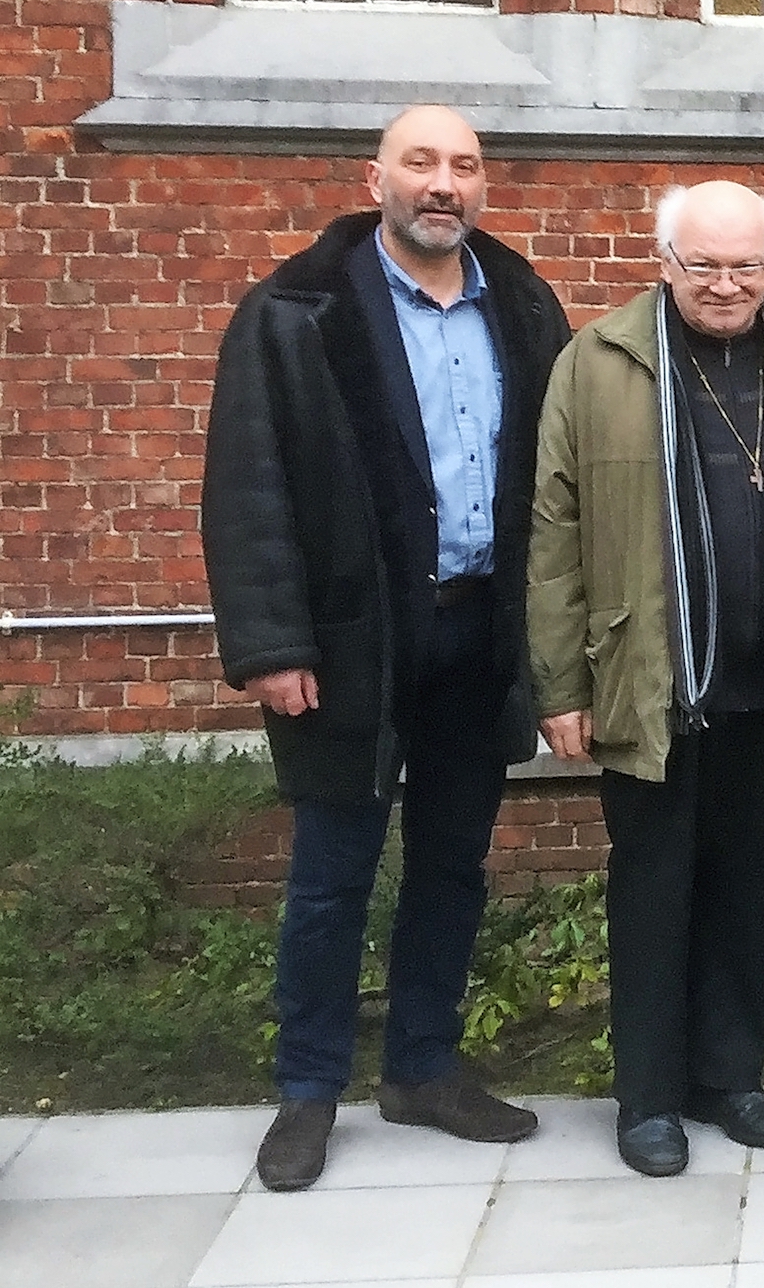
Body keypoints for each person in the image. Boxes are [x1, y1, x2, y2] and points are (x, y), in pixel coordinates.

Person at [202, 104, 570, 1192]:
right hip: (351, 640)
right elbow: (247, 483)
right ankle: (307, 1087)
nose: (443, 183)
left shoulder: (526, 306)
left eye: (464, 165)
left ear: (483, 185)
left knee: (452, 864)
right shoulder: (296, 311)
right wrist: (271, 641)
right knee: (331, 876)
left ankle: (420, 1067)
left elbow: (557, 482)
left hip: (478, 627)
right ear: (378, 179)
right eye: (422, 162)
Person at [526, 180, 764, 1178]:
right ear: (665, 262)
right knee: (653, 887)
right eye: (704, 264)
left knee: (750, 885)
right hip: (649, 676)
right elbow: (554, 531)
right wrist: (559, 686)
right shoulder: (599, 360)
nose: (725, 284)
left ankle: (731, 1075)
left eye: (745, 265)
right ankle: (649, 1095)